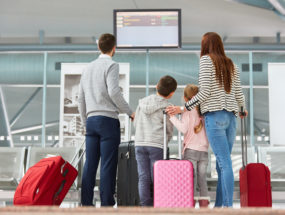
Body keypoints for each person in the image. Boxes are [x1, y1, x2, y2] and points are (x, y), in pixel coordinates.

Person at [166, 32, 248, 207]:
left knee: (224, 164)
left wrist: (183, 108)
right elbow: (239, 94)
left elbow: (204, 92)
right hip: (231, 118)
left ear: (205, 45)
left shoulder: (206, 61)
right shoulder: (231, 64)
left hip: (215, 116)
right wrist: (242, 110)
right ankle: (220, 206)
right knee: (222, 164)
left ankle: (227, 207)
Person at [78, 33, 134, 206]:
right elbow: (114, 92)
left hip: (91, 121)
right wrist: (130, 113)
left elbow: (81, 98)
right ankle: (106, 205)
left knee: (90, 165)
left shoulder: (87, 68)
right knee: (108, 165)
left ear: (98, 47)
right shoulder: (112, 65)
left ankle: (86, 204)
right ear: (114, 48)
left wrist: (85, 121)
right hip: (108, 121)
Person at [134, 75, 177, 206]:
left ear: (157, 86)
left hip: (140, 143)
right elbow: (169, 128)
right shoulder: (168, 107)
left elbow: (136, 123)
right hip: (157, 144)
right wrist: (166, 140)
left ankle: (146, 208)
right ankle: (159, 206)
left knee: (143, 178)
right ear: (171, 94)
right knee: (158, 178)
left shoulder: (142, 102)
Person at [167, 84, 210, 208]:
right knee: (202, 180)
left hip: (191, 150)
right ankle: (204, 206)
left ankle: (190, 205)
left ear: (185, 99)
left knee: (191, 179)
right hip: (204, 150)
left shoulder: (188, 111)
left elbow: (183, 128)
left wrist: (172, 117)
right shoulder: (204, 110)